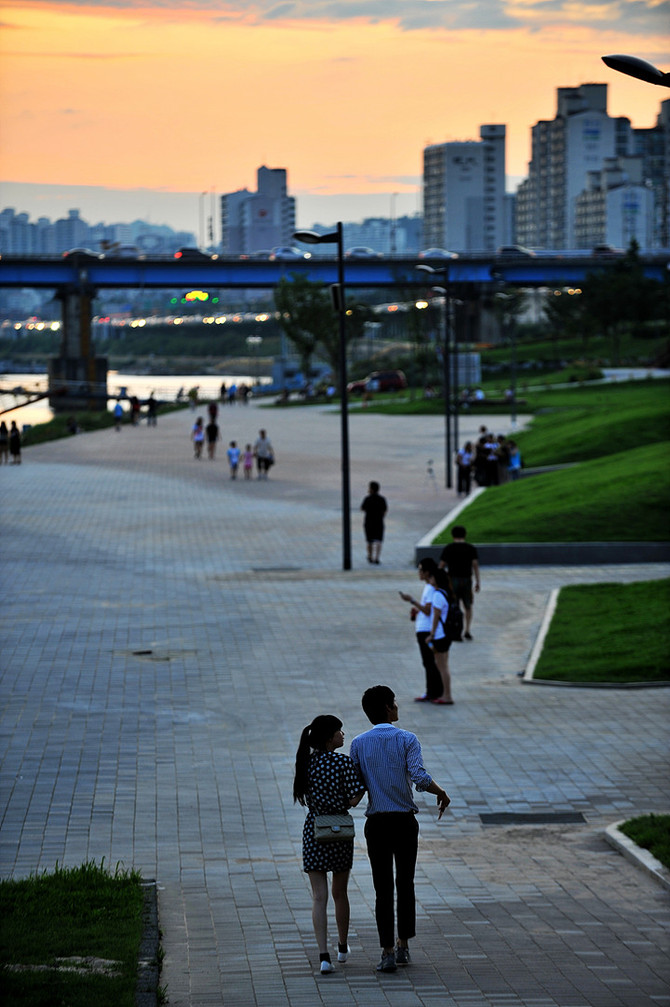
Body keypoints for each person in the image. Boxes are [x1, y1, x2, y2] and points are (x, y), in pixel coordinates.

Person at [349, 686, 450, 973]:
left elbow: (357, 788)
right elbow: (418, 776)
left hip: (376, 823)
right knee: (405, 883)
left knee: (382, 888)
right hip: (404, 821)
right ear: (389, 709)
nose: (397, 707)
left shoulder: (358, 744)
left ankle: (387, 952)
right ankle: (404, 943)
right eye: (394, 703)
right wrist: (439, 791)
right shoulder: (407, 739)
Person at [293, 715, 365, 975]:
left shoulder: (306, 763)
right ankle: (342, 947)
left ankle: (323, 956)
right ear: (329, 737)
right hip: (340, 830)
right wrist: (349, 799)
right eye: (339, 731)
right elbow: (355, 798)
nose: (343, 735)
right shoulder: (343, 763)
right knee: (340, 893)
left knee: (318, 896)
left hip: (314, 829)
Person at [398, 558, 442, 703]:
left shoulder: (430, 588)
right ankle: (432, 691)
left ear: (427, 572)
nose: (419, 573)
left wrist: (412, 600)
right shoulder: (428, 587)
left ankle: (433, 691)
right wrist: (417, 611)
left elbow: (429, 610)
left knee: (429, 662)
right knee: (428, 662)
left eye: (420, 570)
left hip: (425, 630)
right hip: (422, 628)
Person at [438, 525, 480, 641]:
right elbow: (475, 565)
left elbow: (441, 566)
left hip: (452, 580)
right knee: (468, 606)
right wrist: (477, 582)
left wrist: (439, 581)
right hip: (467, 580)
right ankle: (467, 630)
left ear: (452, 536)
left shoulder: (449, 548)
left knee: (453, 606)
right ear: (465, 535)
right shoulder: (471, 548)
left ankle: (456, 631)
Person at [425, 566, 455, 704]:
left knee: (442, 666)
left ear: (436, 579)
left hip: (439, 635)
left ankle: (447, 695)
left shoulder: (437, 595)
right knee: (444, 665)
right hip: (445, 634)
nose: (429, 579)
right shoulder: (446, 592)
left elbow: (436, 616)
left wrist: (431, 634)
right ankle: (446, 694)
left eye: (431, 577)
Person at [360, 481, 387, 565]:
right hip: (379, 522)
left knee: (369, 541)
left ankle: (370, 556)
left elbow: (362, 508)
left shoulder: (367, 499)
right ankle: (377, 558)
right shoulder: (382, 499)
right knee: (379, 540)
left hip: (369, 522)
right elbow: (385, 510)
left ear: (371, 489)